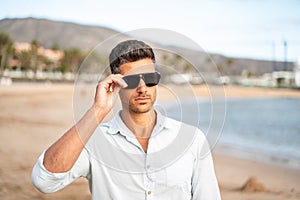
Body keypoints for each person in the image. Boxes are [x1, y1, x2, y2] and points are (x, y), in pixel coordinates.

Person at [32, 39, 221, 199]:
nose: (142, 88)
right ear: (115, 83)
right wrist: (98, 110)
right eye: (131, 80)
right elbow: (44, 181)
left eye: (149, 78)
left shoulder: (192, 139)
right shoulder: (94, 141)